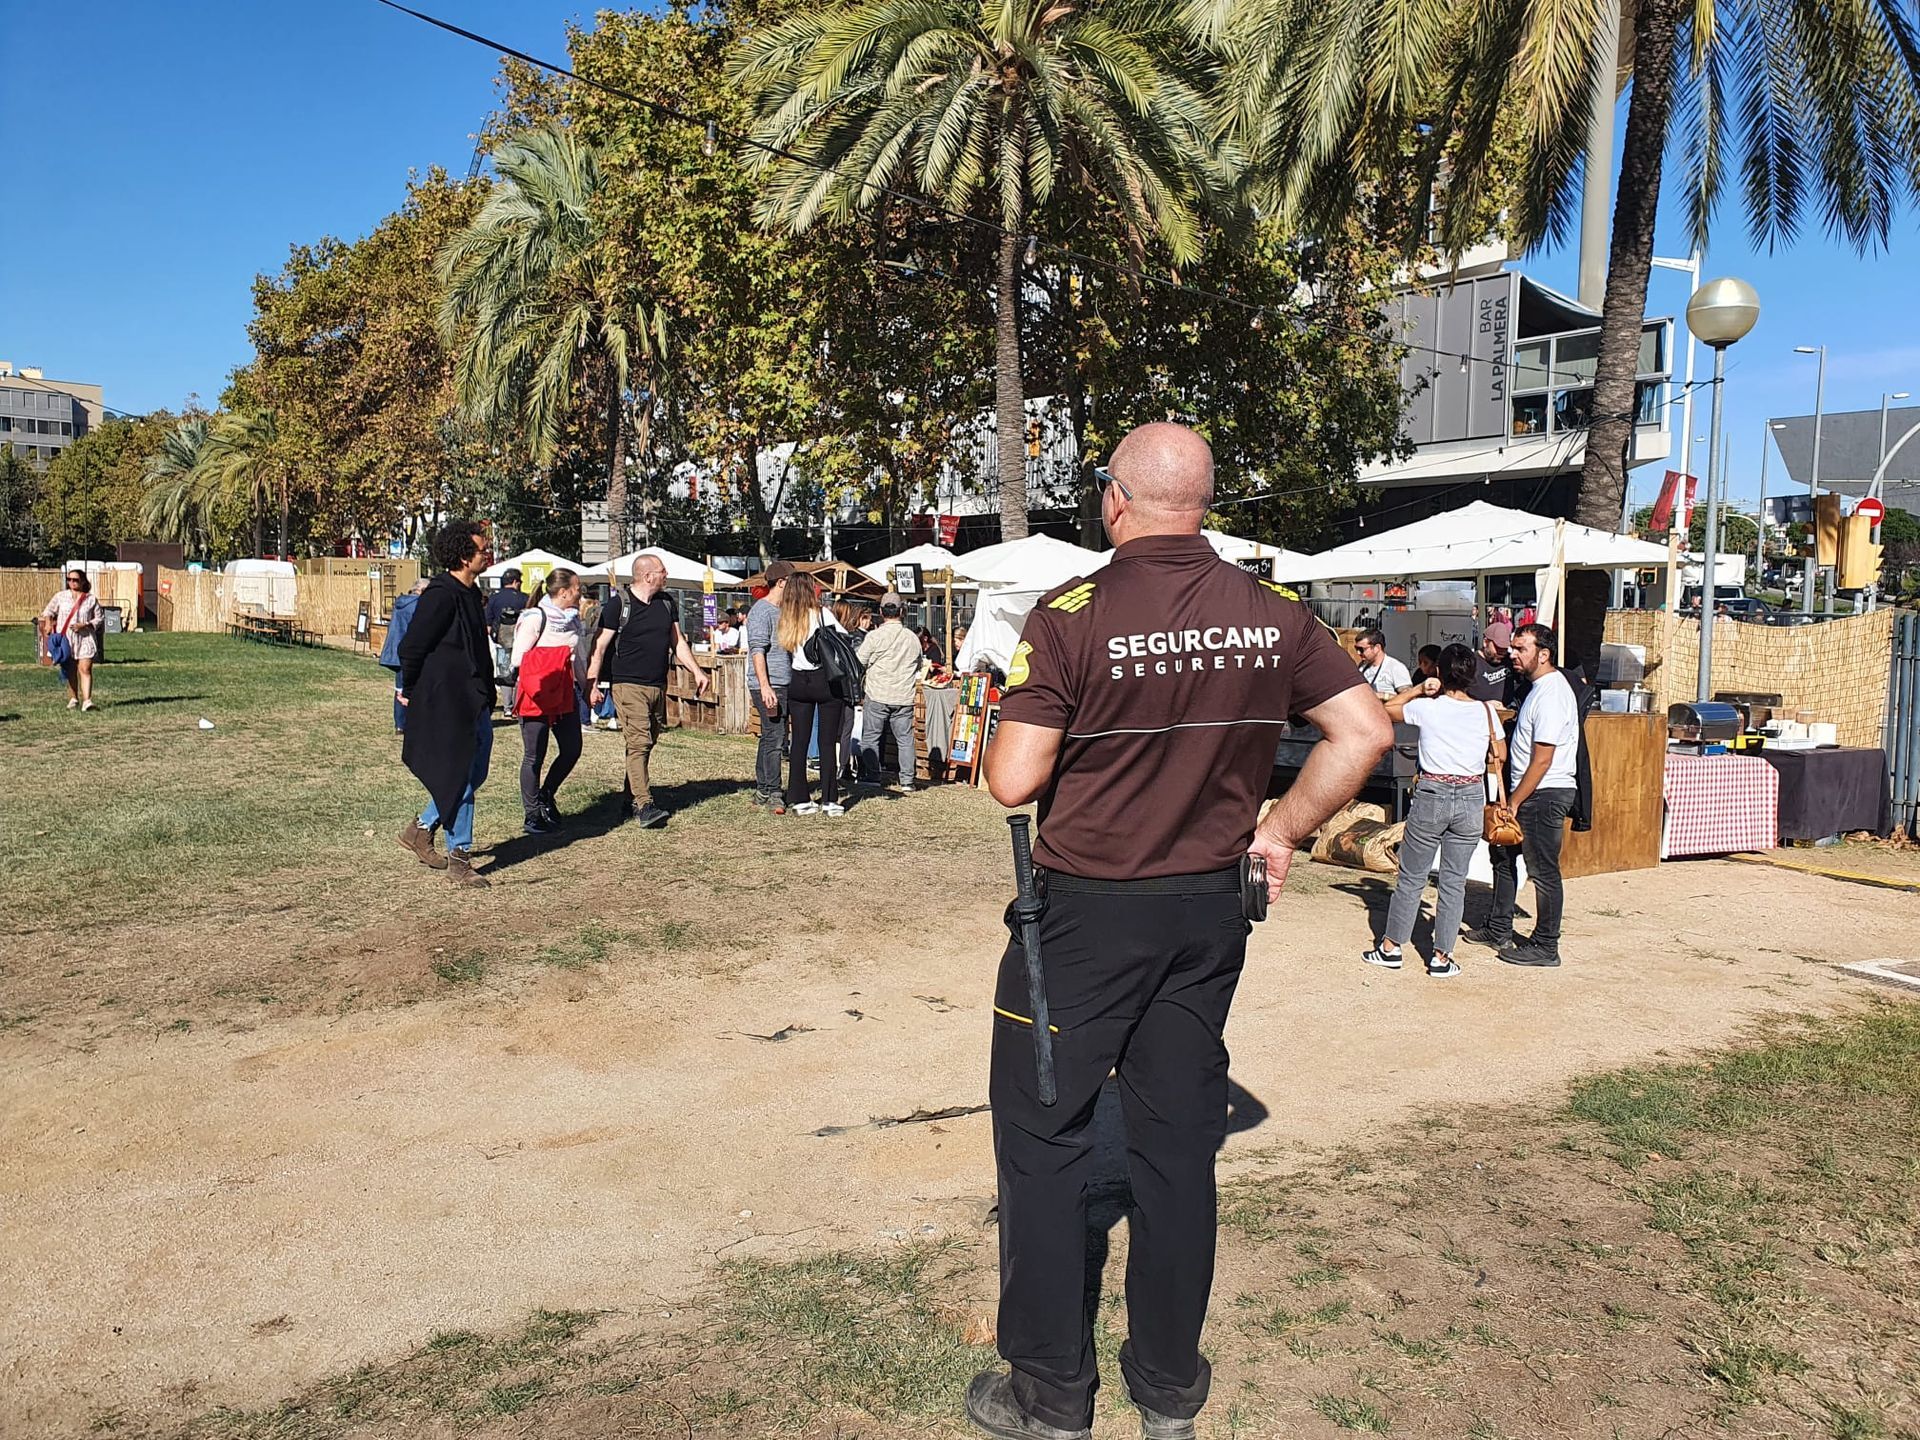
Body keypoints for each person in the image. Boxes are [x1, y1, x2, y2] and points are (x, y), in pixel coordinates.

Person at [971, 422, 1391, 1440]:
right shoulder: (1272, 610)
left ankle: (1050, 1394)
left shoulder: (1073, 613)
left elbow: (1012, 780)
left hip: (1084, 916)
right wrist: (1281, 829)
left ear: (1117, 497)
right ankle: (1167, 1391)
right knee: (1174, 1153)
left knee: (1044, 1143)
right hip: (1209, 910)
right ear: (1202, 502)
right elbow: (1367, 730)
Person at [1363, 644, 1506, 979]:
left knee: (1412, 876)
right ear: (1472, 675)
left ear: (1439, 673)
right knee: (1454, 881)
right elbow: (1498, 753)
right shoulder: (1486, 712)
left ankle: (1391, 947)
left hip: (1432, 792)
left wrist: (1417, 688)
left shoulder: (1427, 709)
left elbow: (1389, 709)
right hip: (1471, 794)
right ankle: (1442, 955)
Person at [1468, 622, 1578, 967]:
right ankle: (1499, 926)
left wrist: (1514, 801)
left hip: (1543, 795)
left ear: (1543, 654)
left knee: (1542, 870)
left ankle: (1546, 945)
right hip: (1524, 791)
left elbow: (1543, 758)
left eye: (1521, 649)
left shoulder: (1552, 693)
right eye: (1513, 648)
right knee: (1502, 857)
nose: (1513, 655)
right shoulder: (1537, 688)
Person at [396, 520, 497, 889]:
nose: (488, 553)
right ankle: (460, 858)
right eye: (482, 549)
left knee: (475, 774)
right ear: (462, 555)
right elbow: (412, 647)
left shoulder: (471, 594)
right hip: (447, 702)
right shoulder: (440, 594)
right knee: (460, 778)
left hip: (475, 700)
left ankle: (420, 829)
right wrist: (409, 687)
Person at [586, 554, 710, 828]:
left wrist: (697, 671)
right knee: (639, 741)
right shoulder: (619, 605)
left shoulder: (666, 603)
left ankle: (629, 797)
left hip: (657, 685)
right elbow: (600, 646)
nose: (666, 574)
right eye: (662, 571)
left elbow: (677, 643)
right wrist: (591, 684)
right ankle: (644, 805)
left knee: (646, 742)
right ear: (648, 575)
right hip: (627, 685)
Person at [510, 567, 586, 834]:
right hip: (538, 693)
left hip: (566, 693)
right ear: (564, 592)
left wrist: (587, 686)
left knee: (572, 748)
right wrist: (551, 660)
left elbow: (580, 659)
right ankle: (532, 814)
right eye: (577, 588)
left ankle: (546, 793)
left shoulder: (576, 620)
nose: (580, 593)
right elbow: (517, 659)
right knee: (534, 755)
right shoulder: (535, 618)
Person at [779, 573, 849, 816]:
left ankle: (798, 798)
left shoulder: (787, 617)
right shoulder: (821, 614)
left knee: (799, 740)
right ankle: (829, 799)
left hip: (798, 680)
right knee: (827, 741)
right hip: (823, 679)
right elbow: (843, 638)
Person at [857, 590, 923, 791]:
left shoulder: (874, 637)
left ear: (881, 611)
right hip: (903, 696)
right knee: (905, 739)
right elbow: (919, 665)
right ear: (902, 611)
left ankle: (872, 776)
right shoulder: (912, 638)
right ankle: (907, 781)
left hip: (877, 693)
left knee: (871, 737)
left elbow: (859, 660)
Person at [747, 562, 796, 811]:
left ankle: (763, 790)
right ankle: (775, 792)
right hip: (768, 683)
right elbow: (757, 651)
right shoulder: (761, 612)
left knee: (770, 736)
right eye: (792, 582)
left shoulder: (784, 610)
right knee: (777, 737)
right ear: (781, 582)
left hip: (783, 681)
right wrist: (765, 687)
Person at [39, 569, 103, 710]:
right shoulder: (61, 596)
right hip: (66, 639)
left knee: (85, 668)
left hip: (85, 637)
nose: (72, 582)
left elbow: (99, 618)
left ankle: (87, 701)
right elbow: (48, 611)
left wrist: (85, 624)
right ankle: (74, 698)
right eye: (69, 579)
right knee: (70, 669)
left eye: (75, 580)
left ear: (83, 581)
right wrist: (49, 623)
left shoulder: (91, 599)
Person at [380, 579, 430, 732]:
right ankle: (416, 721)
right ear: (421, 591)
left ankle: (400, 723)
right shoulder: (418, 605)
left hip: (396, 651)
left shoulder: (400, 604)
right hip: (411, 652)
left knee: (400, 687)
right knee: (415, 687)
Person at [484, 566, 528, 690]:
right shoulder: (524, 598)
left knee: (504, 672)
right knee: (520, 673)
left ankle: (507, 706)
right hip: (522, 641)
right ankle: (516, 703)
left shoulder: (493, 598)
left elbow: (488, 625)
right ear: (515, 582)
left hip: (501, 641)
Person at [1467, 619, 1517, 704]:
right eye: (1498, 648)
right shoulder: (1471, 663)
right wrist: (1484, 705)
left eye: (1504, 649)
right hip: (1480, 713)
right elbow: (1459, 695)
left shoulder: (1510, 660)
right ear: (1485, 642)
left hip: (1508, 713)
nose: (1502, 653)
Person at [1354, 629, 1412, 698]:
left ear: (1377, 648)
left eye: (1361, 649)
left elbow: (1408, 697)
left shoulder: (1395, 667)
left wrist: (1383, 696)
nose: (1358, 653)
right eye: (1356, 648)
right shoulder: (1362, 667)